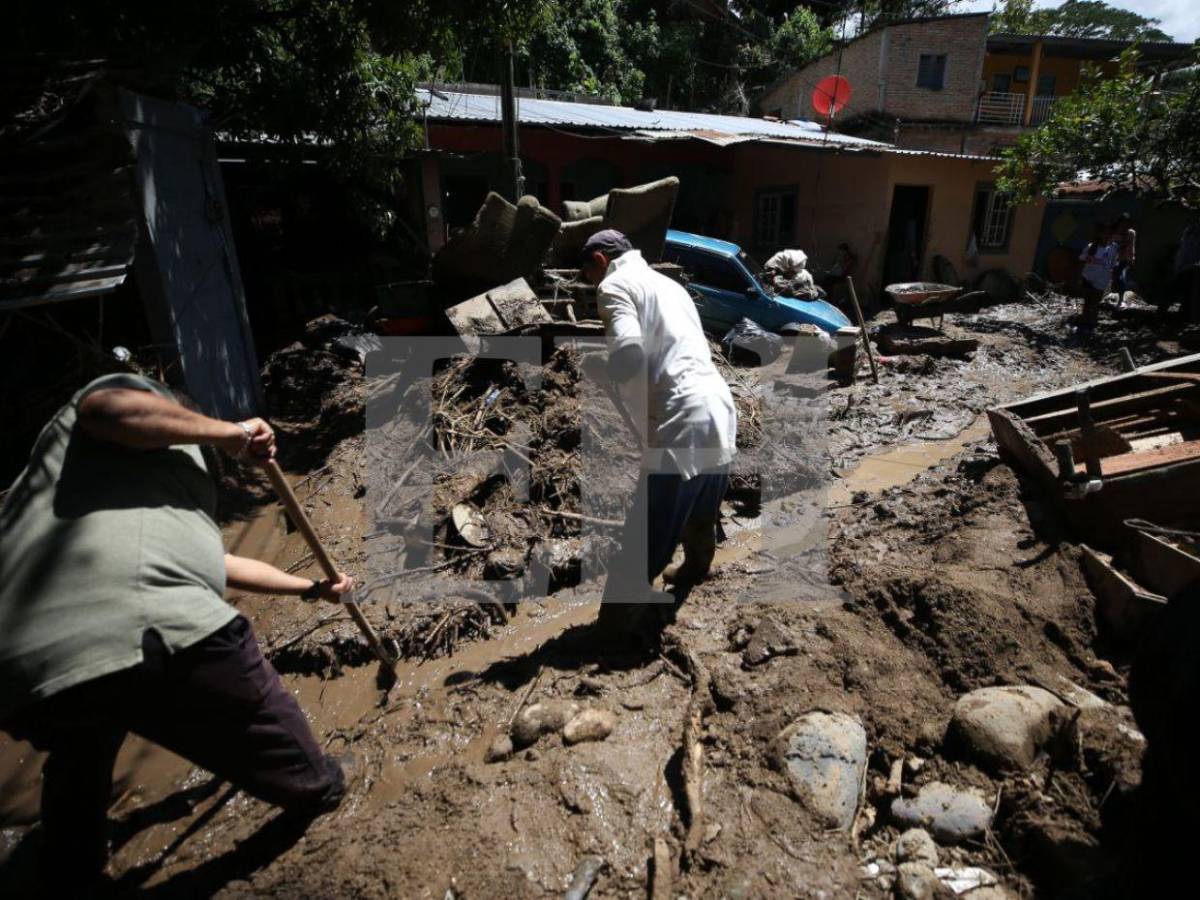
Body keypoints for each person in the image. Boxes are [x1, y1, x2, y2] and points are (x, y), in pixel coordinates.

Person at [0, 372, 355, 895]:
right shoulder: (113, 412)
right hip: (149, 622)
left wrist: (311, 589)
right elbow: (108, 408)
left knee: (82, 744)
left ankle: (67, 870)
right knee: (313, 781)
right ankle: (314, 785)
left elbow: (221, 562)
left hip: (24, 668)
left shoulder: (99, 485)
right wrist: (230, 434)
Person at [579, 230, 737, 634]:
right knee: (700, 510)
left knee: (642, 540)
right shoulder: (670, 285)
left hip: (681, 417)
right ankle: (695, 571)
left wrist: (602, 368)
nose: (590, 282)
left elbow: (629, 355)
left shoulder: (614, 285)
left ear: (599, 259)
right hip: (718, 405)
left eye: (588, 271)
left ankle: (612, 631)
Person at [1076, 223, 1117, 327]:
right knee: (1088, 301)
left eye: (1109, 234)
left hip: (1101, 279)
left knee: (1095, 301)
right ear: (1100, 234)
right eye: (1104, 233)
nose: (1107, 236)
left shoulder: (1112, 249)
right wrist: (1079, 276)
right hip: (1088, 277)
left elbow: (1113, 265)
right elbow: (1081, 261)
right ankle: (1085, 321)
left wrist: (1112, 277)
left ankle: (1092, 322)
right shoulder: (1091, 247)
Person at [1113, 212, 1137, 307]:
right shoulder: (1114, 232)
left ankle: (1121, 300)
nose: (1125, 224)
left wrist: (1132, 258)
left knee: (1121, 278)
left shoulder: (1131, 233)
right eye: (1123, 222)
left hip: (1124, 259)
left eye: (1127, 223)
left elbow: (1132, 247)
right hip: (1112, 259)